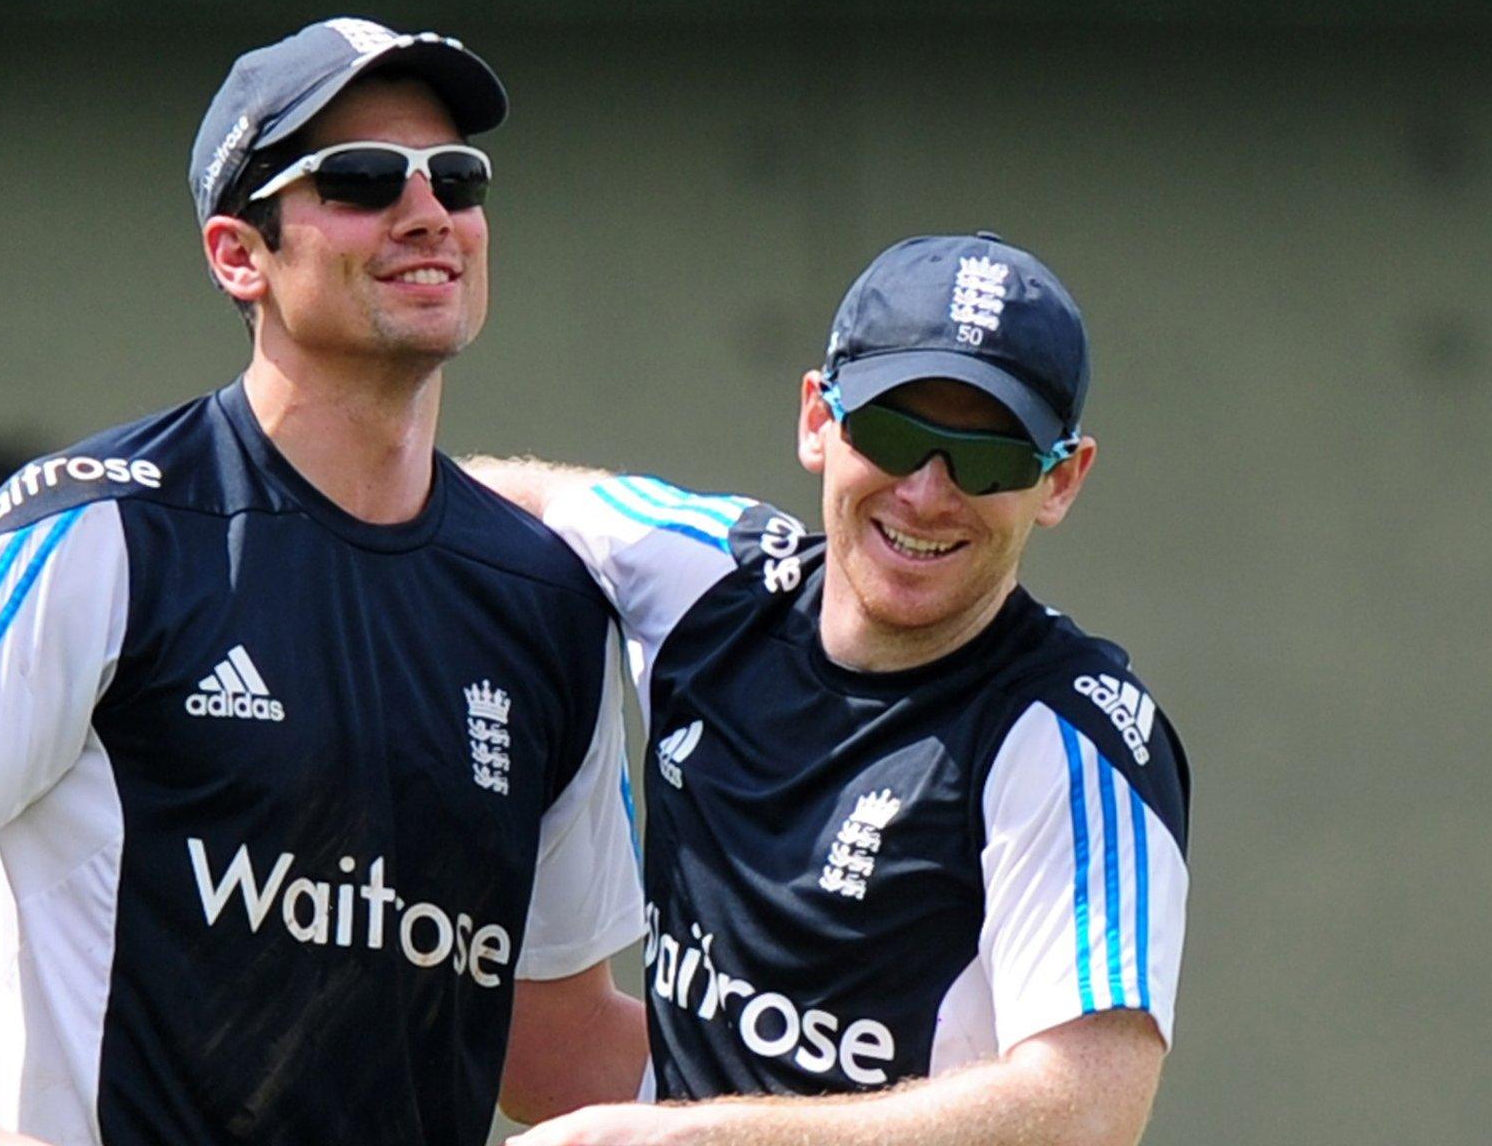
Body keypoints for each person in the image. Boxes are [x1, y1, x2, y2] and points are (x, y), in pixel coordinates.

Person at [0, 18, 646, 1146]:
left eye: (456, 178)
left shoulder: (545, 603)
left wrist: (887, 1108)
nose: (428, 210)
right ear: (239, 254)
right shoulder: (97, 530)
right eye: (358, 180)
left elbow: (549, 1041)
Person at [468, 234, 1191, 1145]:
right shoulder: (712, 579)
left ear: (1059, 481)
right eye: (894, 432)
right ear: (818, 420)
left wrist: (691, 1141)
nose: (928, 494)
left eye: (990, 458)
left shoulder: (1070, 735)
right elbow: (487, 506)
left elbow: (1088, 1112)